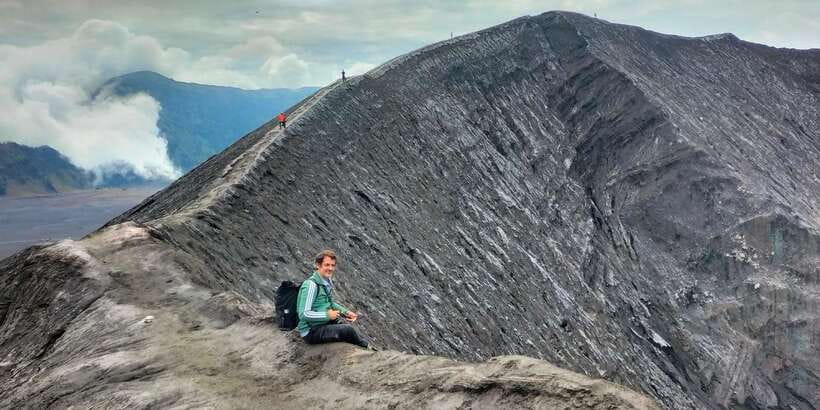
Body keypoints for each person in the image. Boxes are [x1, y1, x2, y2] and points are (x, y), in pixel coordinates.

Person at [296, 249, 369, 348]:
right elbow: (303, 314)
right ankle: (366, 347)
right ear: (318, 265)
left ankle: (363, 346)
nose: (330, 268)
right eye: (327, 265)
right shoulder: (311, 285)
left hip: (322, 323)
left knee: (348, 327)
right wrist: (327, 315)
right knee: (347, 330)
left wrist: (346, 312)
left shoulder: (325, 282)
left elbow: (330, 303)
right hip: (311, 331)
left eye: (332, 265)